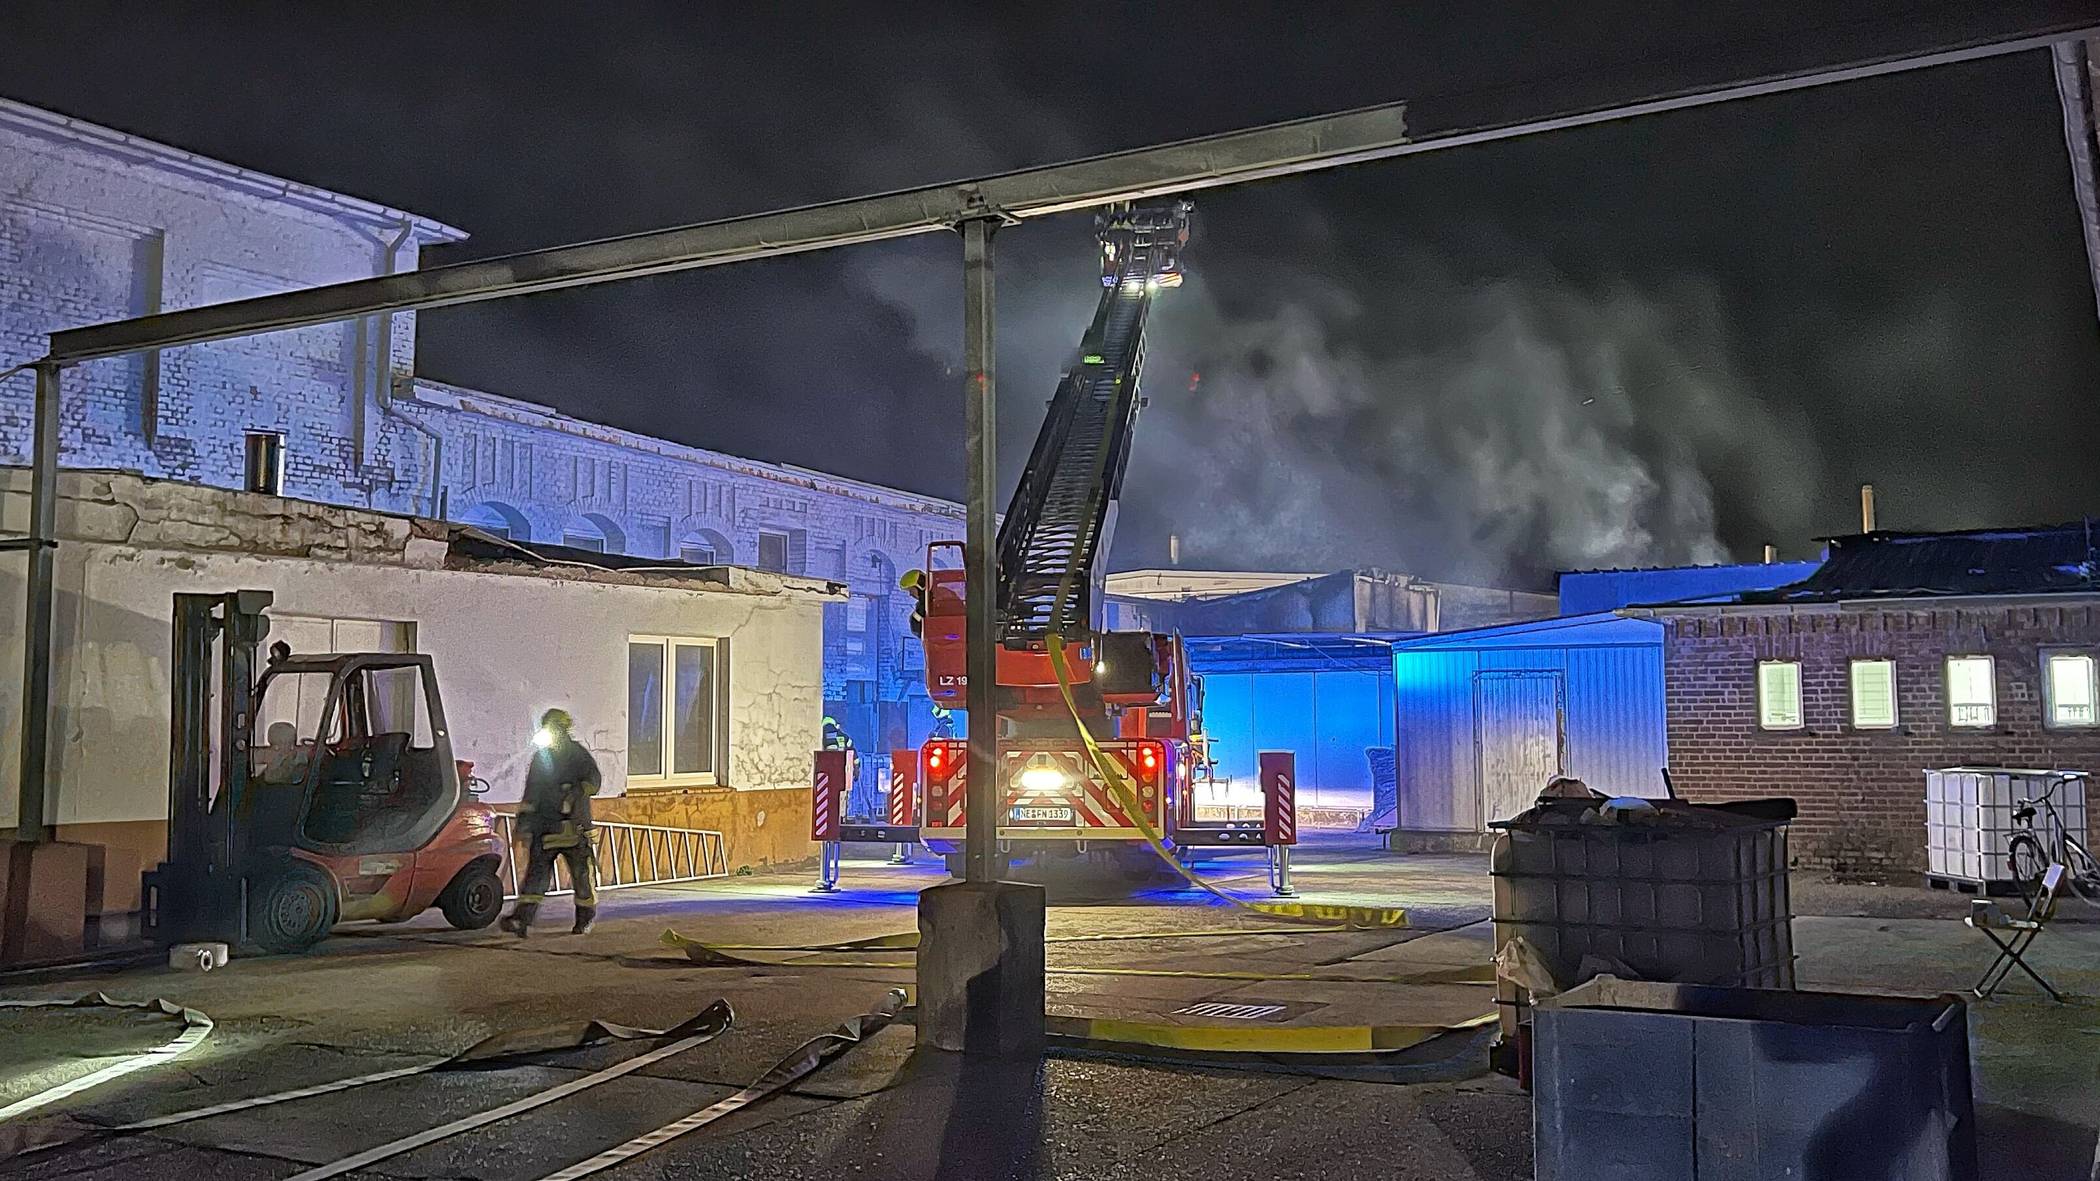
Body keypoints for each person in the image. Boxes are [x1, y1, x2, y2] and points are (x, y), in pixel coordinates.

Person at [500, 708, 602, 937]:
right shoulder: (541, 758)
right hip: (545, 829)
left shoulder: (578, 755)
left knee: (581, 877)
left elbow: (594, 781)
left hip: (574, 829)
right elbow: (532, 792)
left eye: (552, 728)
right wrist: (524, 822)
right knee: (536, 877)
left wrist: (575, 792)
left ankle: (584, 919)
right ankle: (521, 920)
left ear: (562, 729)